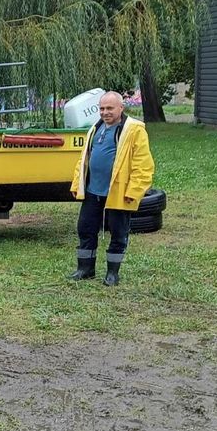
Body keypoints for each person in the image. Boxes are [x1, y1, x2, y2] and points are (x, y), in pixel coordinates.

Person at [69, 91, 155, 286]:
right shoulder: (95, 128)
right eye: (101, 108)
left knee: (118, 233)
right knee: (85, 229)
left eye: (109, 108)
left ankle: (112, 274)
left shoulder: (134, 130)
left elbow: (143, 165)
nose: (105, 112)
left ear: (121, 108)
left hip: (118, 194)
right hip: (93, 193)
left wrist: (133, 192)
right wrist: (77, 184)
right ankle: (85, 269)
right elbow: (83, 160)